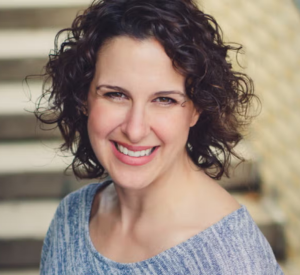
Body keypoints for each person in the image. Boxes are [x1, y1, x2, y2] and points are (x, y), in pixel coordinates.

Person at [38, 0, 283, 274]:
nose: (135, 129)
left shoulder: (230, 258)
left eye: (164, 99)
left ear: (197, 109)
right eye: (115, 94)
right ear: (84, 98)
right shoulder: (72, 218)